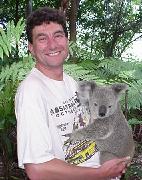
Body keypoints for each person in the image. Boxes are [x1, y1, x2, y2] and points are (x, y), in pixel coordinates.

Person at [15, 6, 129, 180]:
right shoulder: (31, 92)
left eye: (58, 35)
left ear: (67, 41)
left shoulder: (70, 82)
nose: (52, 44)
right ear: (31, 47)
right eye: (42, 38)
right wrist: (100, 173)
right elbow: (37, 170)